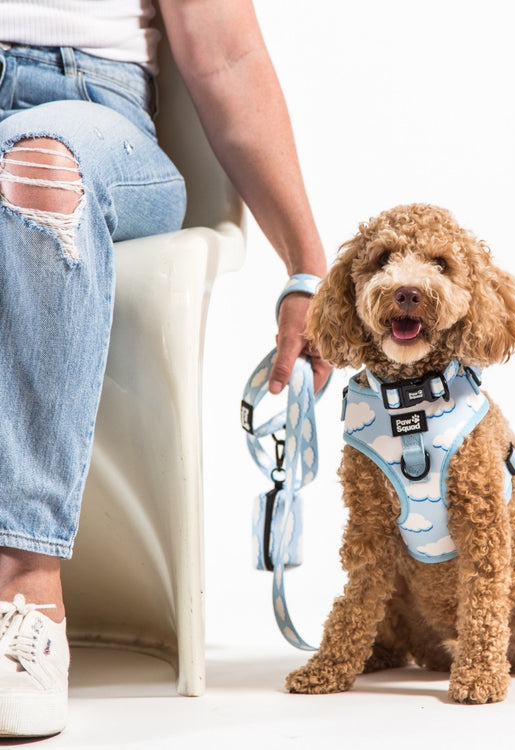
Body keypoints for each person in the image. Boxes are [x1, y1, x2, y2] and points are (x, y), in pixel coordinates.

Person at [0, 0, 331, 737]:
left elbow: (228, 58)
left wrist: (307, 267)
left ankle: (26, 594)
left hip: (82, 105)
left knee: (39, 176)